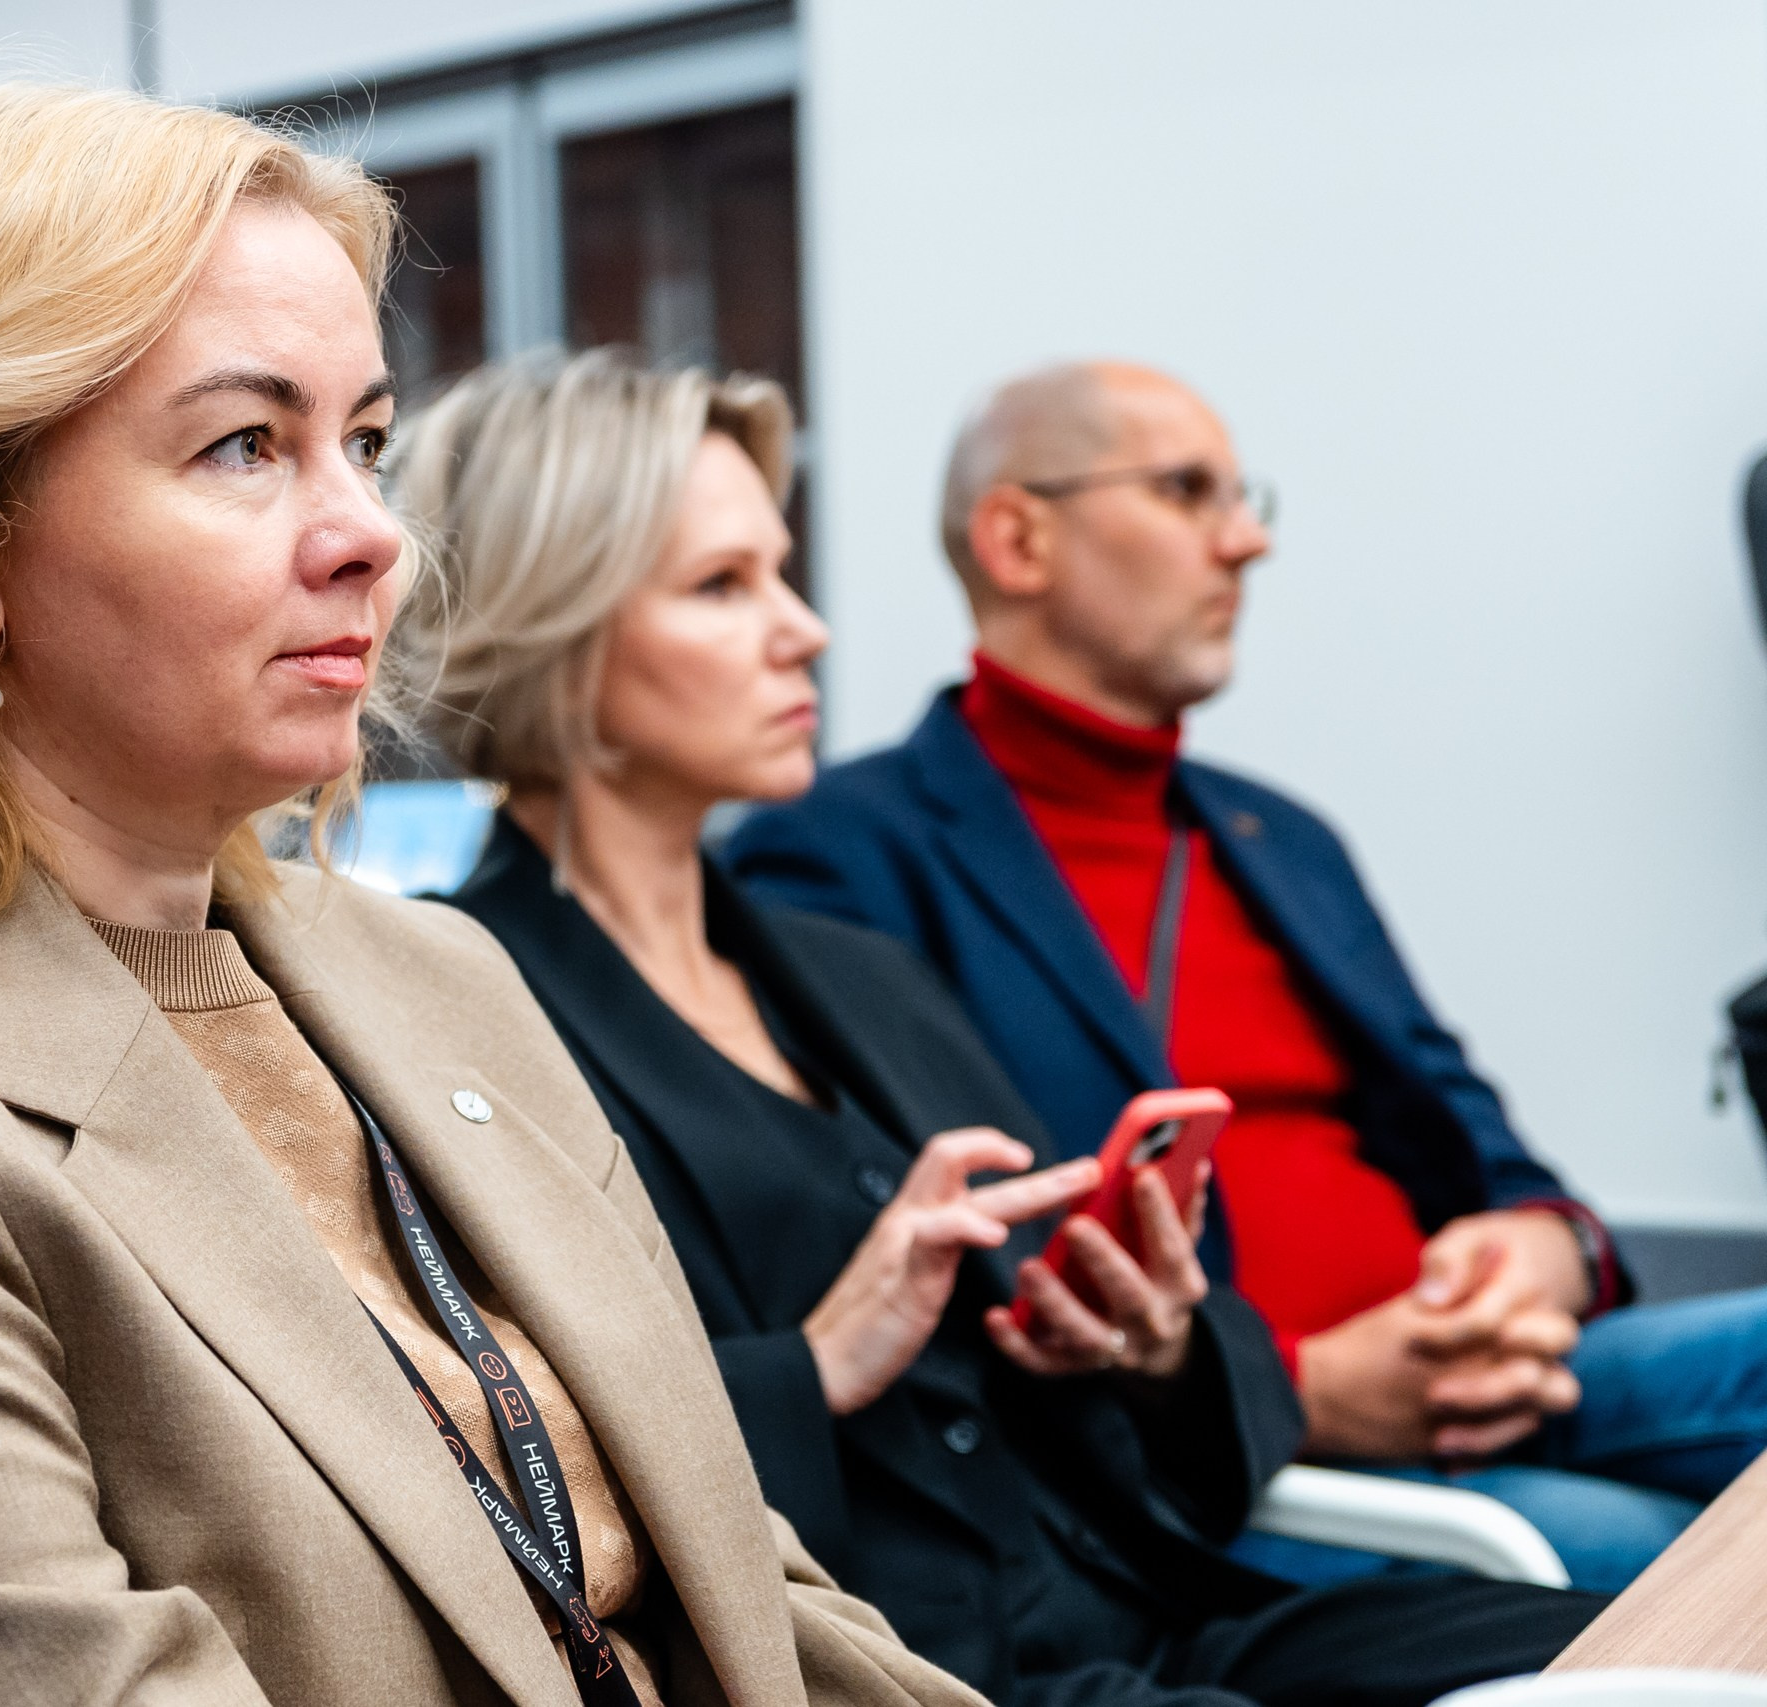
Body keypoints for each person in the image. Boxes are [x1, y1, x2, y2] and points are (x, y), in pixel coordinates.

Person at [0, 84, 981, 1707]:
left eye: (370, 442)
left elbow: (752, 1596)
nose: (370, 536)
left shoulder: (437, 977)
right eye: (246, 445)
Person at [398, 348, 1603, 1707]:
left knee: (1646, 1646)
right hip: (910, 1666)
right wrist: (818, 1364)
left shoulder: (849, 968)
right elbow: (499, 1465)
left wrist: (1142, 1337)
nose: (807, 629)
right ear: (557, 627)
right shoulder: (453, 1017)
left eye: (782, 574)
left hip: (1148, 1603)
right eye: (724, 587)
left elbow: (1140, 1407)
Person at [725, 359, 1767, 1591]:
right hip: (1210, 1457)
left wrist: (1541, 1253)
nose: (1248, 542)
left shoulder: (1282, 838)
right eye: (1187, 492)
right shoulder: (843, 854)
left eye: (1243, 495)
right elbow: (937, 1270)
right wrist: (1284, 1384)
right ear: (1016, 539)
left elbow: (1491, 1148)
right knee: (1659, 1572)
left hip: (1488, 1369)